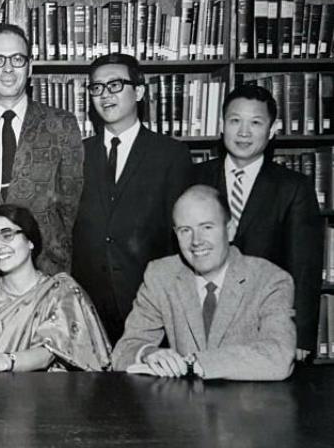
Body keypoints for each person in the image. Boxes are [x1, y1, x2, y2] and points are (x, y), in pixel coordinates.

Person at [111, 185, 296, 381]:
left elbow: (279, 356)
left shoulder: (270, 279)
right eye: (185, 230)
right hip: (182, 407)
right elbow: (123, 351)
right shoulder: (161, 275)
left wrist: (195, 363)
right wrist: (148, 353)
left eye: (207, 227)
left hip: (246, 406)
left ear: (230, 230)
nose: (196, 241)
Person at [194, 84, 322, 362]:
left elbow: (305, 266)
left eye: (255, 123)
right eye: (235, 121)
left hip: (266, 321)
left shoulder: (293, 187)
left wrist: (300, 335)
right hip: (202, 320)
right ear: (221, 125)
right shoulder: (194, 178)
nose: (243, 132)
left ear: (272, 129)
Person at [72, 53, 193, 344]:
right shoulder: (78, 153)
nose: (105, 95)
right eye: (96, 88)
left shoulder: (170, 155)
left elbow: (180, 234)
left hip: (150, 302)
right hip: (89, 306)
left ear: (138, 92)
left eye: (115, 85)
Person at [0, 23, 83, 288]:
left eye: (17, 59)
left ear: (30, 67)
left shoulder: (61, 125)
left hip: (45, 275)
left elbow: (70, 207)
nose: (7, 69)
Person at [0, 204, 111, 377]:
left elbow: (48, 353)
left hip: (44, 393)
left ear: (30, 241)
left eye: (7, 235)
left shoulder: (59, 292)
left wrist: (1, 361)